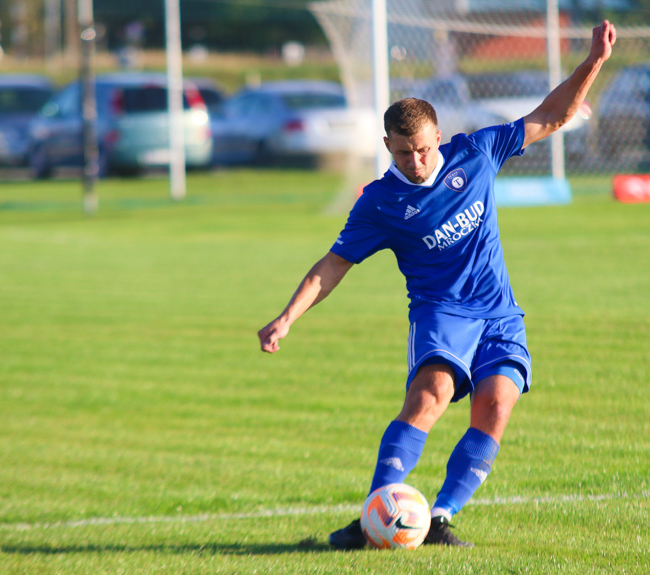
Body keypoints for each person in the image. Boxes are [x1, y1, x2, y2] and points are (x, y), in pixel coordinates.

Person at [258, 20, 617, 549]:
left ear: (438, 137)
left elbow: (551, 116)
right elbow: (332, 265)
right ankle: (372, 519)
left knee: (496, 407)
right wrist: (286, 317)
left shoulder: (476, 154)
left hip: (499, 312)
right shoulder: (380, 202)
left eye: (424, 149)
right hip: (441, 313)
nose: (417, 161)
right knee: (431, 395)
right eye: (404, 153)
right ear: (387, 146)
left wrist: (593, 63)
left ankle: (441, 518)